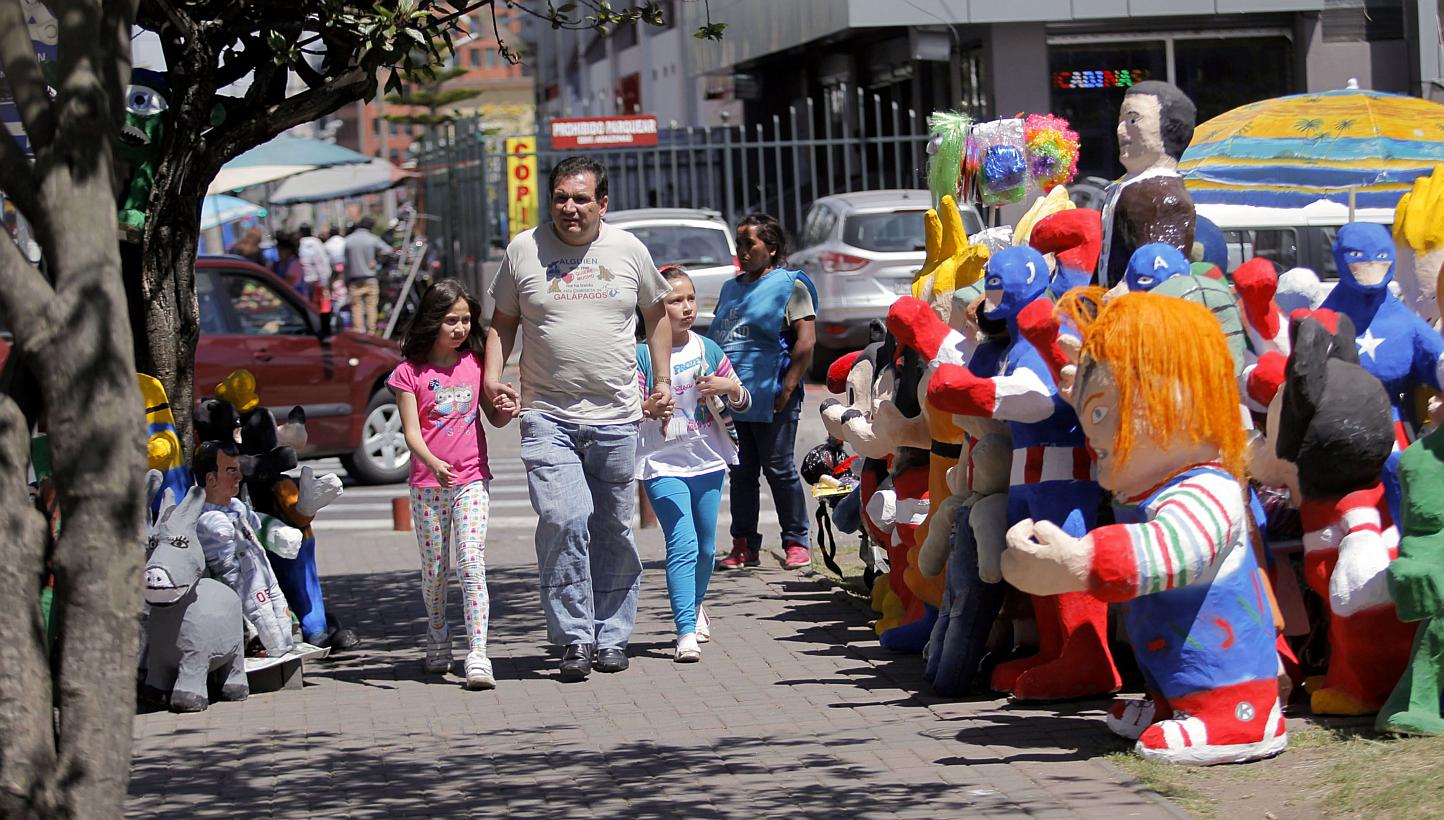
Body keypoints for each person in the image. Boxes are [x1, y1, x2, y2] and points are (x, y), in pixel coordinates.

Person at [483, 155, 674, 683]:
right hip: (546, 414)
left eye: (581, 198)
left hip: (615, 415)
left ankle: (611, 635)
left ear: (602, 203)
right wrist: (491, 379)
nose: (570, 208)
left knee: (612, 527)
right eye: (561, 197)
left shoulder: (628, 250)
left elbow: (656, 314)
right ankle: (574, 636)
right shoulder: (524, 249)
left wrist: (659, 382)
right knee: (563, 521)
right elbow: (501, 322)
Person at [388, 279, 511, 690]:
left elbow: (494, 414)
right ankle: (438, 633)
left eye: (465, 320)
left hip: (472, 479)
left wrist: (507, 406)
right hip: (428, 484)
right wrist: (433, 463)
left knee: (471, 562)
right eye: (450, 321)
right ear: (431, 321)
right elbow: (411, 434)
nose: (459, 329)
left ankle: (478, 653)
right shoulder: (409, 373)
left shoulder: (475, 363)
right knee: (436, 571)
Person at [635, 266, 751, 662]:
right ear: (655, 308)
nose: (685, 308)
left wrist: (729, 387)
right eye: (674, 301)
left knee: (706, 548)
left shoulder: (708, 350)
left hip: (707, 460)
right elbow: (631, 408)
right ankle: (684, 630)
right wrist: (649, 407)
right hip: (662, 463)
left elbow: (742, 399)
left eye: (690, 299)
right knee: (682, 544)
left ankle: (696, 603)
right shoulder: (642, 355)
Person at [708, 213, 816, 571]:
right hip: (734, 399)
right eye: (739, 244)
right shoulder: (730, 288)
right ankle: (743, 546)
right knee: (740, 472)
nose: (742, 251)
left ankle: (796, 543)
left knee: (779, 469)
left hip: (773, 397)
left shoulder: (790, 285)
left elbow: (805, 342)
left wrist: (786, 389)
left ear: (771, 248)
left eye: (749, 244)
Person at [344, 217, 393, 335]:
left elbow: (345, 262)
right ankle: (371, 332)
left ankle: (359, 332)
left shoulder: (348, 240)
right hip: (370, 279)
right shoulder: (373, 239)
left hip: (354, 280)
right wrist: (378, 261)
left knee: (357, 307)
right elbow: (389, 251)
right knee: (371, 307)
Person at [297, 224, 331, 309]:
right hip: (315, 280)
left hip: (305, 281)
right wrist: (324, 281)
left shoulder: (300, 243)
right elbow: (321, 262)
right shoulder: (315, 242)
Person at [272, 232, 305, 296]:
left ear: (288, 250)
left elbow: (288, 284)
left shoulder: (295, 264)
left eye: (281, 250)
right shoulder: (278, 264)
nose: (279, 253)